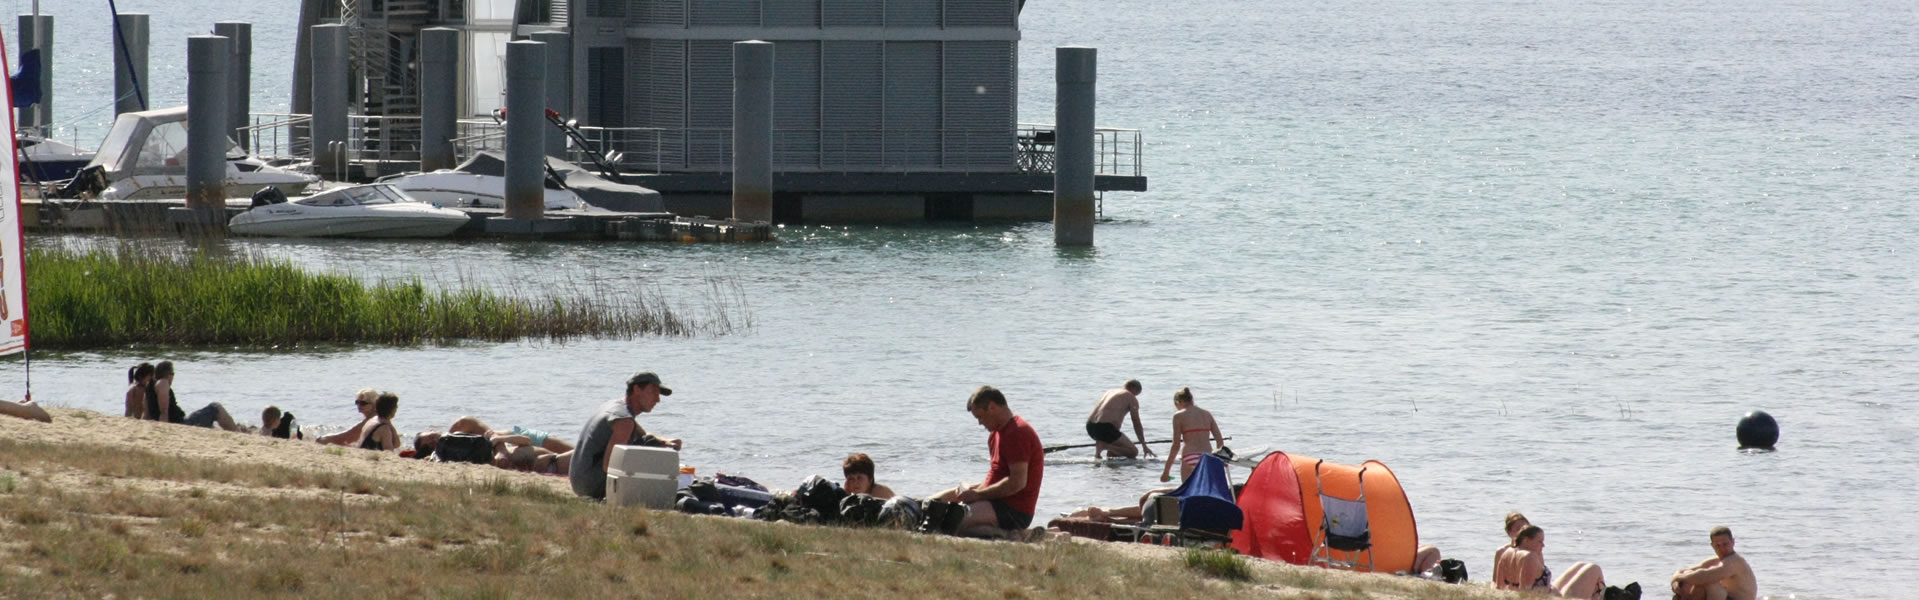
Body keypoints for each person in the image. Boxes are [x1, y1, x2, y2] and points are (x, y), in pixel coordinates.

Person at [930, 386, 1045, 539]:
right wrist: (971, 490)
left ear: (992, 407)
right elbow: (995, 476)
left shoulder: (1018, 432)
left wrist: (977, 495)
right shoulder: (995, 435)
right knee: (932, 506)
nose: (979, 423)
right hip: (993, 501)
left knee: (949, 523)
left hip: (1014, 509)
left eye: (980, 417)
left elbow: (1017, 482)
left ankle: (1008, 534)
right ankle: (1013, 534)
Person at [570, 372, 681, 500]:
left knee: (651, 442)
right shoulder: (624, 421)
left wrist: (666, 442)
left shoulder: (617, 407)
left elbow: (644, 435)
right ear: (637, 389)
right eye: (653, 392)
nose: (657, 399)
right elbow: (610, 466)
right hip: (590, 486)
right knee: (650, 448)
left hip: (579, 479)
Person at [1497, 525, 1608, 599]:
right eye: (1539, 541)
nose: (1543, 545)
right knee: (1594, 569)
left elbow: (1498, 587)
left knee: (1581, 565)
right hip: (1554, 597)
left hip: (1552, 592)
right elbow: (1525, 593)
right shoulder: (1529, 557)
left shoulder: (1506, 553)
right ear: (1526, 540)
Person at [147, 361, 243, 431]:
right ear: (168, 375)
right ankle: (235, 432)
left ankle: (233, 429)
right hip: (181, 424)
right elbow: (164, 411)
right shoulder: (163, 383)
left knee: (210, 417)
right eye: (173, 374)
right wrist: (164, 429)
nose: (173, 377)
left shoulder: (149, 387)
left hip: (179, 422)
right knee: (215, 407)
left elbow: (146, 412)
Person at [1670, 526, 1757, 600]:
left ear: (1733, 542)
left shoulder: (1735, 561)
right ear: (1712, 546)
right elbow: (1684, 571)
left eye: (1725, 544)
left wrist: (1678, 577)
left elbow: (1703, 577)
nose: (1722, 548)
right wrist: (1676, 581)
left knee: (1709, 583)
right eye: (1718, 545)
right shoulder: (1715, 560)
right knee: (1689, 579)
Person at [1159, 387, 1224, 482]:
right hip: (1207, 457)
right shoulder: (1207, 414)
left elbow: (1176, 445)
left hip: (1190, 457)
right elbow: (1220, 441)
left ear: (1178, 402)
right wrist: (1218, 461)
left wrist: (1166, 472)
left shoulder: (1178, 416)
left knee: (1187, 492)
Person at [1085, 379, 1155, 459]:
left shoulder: (1110, 392)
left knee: (1116, 448)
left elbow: (1110, 416)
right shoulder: (1130, 397)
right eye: (1136, 394)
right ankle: (1104, 446)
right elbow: (1136, 423)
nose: (1135, 397)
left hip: (1090, 426)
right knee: (1133, 452)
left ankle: (1100, 454)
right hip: (1104, 427)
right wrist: (1144, 446)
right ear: (1133, 388)